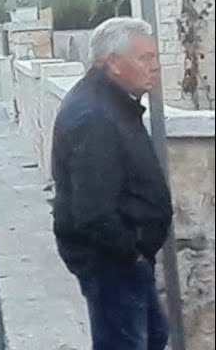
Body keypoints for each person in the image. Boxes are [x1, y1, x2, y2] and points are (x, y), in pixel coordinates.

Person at [51, 18, 172, 350]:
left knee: (153, 337)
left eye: (154, 57)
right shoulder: (93, 116)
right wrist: (131, 251)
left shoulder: (113, 104)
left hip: (126, 258)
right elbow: (93, 210)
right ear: (114, 63)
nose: (155, 66)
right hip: (112, 262)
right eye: (145, 58)